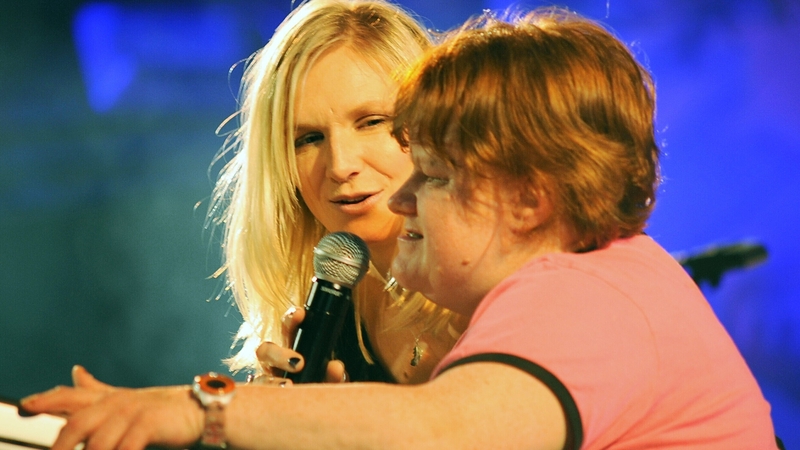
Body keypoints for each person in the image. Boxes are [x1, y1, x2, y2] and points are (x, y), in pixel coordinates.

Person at [21, 7, 777, 449]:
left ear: (528, 198)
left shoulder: (582, 290)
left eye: (435, 171)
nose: (396, 188)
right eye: (307, 138)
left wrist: (200, 409)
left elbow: (451, 432)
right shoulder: (352, 300)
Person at [207, 0, 463, 384]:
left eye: (372, 122)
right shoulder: (322, 319)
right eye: (308, 139)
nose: (341, 166)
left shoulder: (497, 295)